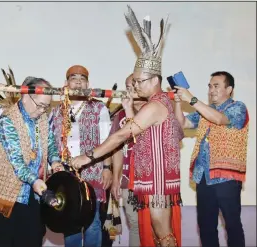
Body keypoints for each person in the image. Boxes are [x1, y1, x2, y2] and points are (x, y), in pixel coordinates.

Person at [71, 6, 183, 247]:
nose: (136, 86)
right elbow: (135, 131)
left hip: (159, 180)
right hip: (154, 178)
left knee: (163, 233)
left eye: (140, 81)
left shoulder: (156, 105)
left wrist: (88, 156)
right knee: (159, 232)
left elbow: (122, 135)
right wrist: (129, 107)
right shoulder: (154, 104)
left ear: (155, 80)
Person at [0, 77, 64, 247]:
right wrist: (35, 181)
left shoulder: (41, 118)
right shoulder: (7, 121)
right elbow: (18, 164)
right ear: (26, 95)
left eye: (46, 106)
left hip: (33, 195)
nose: (43, 110)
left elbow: (49, 144)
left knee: (33, 239)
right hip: (9, 196)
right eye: (40, 105)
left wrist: (56, 162)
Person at [174, 71, 249, 247]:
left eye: (216, 86)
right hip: (204, 177)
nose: (211, 90)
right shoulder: (204, 111)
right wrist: (178, 103)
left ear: (229, 89)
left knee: (232, 226)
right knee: (206, 227)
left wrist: (191, 99)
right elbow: (182, 125)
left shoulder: (238, 107)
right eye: (209, 86)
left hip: (227, 177)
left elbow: (219, 119)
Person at [50, 65, 113, 247]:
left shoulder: (98, 108)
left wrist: (107, 168)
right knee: (69, 223)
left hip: (92, 172)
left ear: (88, 83)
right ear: (66, 84)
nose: (78, 81)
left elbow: (107, 141)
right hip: (66, 175)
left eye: (82, 78)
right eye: (73, 78)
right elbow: (51, 143)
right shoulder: (57, 111)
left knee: (92, 224)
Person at [110, 73, 146, 247]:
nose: (131, 89)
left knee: (156, 226)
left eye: (135, 85)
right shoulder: (120, 115)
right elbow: (117, 149)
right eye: (128, 86)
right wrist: (116, 180)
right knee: (135, 225)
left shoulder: (155, 110)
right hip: (128, 181)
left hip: (153, 182)